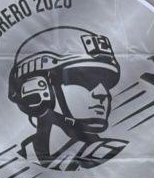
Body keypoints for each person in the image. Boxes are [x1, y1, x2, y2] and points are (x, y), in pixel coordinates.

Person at [9, 26, 128, 170]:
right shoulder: (18, 161)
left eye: (105, 83)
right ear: (38, 87)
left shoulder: (110, 155)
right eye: (85, 80)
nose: (103, 93)